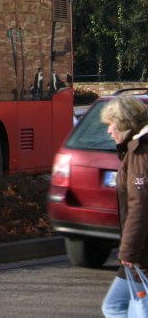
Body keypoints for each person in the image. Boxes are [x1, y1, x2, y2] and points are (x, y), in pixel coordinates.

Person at [101, 95, 148, 317]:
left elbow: (140, 205)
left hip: (141, 253)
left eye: (111, 124)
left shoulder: (140, 154)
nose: (109, 131)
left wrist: (128, 250)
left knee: (115, 306)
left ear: (124, 122)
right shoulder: (136, 150)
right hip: (140, 250)